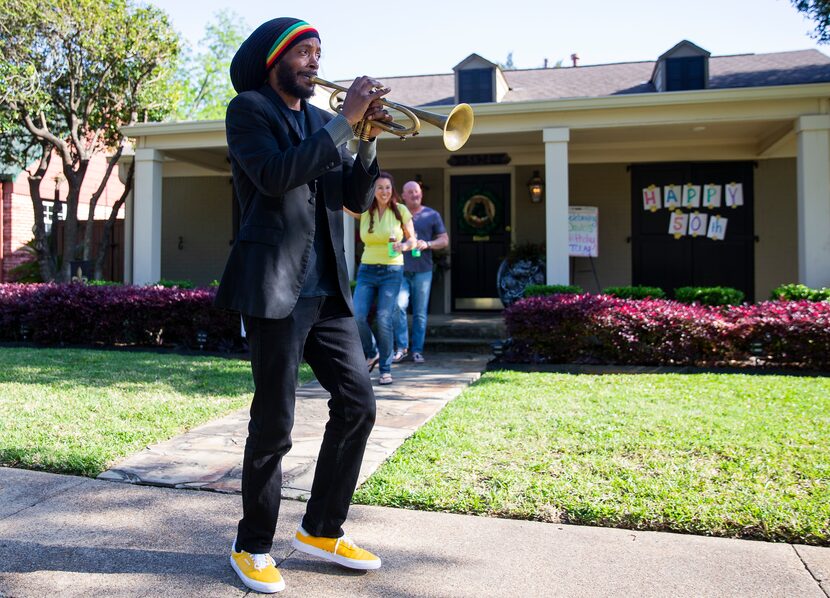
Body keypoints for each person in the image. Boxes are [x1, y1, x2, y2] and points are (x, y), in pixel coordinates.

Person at [214, 17, 391, 594]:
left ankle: (321, 528)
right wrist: (346, 122)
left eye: (319, 52)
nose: (315, 61)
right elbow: (273, 176)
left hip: (328, 293)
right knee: (275, 422)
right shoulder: (250, 111)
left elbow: (356, 200)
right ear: (275, 60)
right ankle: (252, 543)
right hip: (274, 289)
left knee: (359, 404)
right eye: (305, 52)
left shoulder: (323, 122)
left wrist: (366, 140)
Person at [348, 172, 417, 385]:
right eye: (379, 188)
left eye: (387, 187)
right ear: (373, 191)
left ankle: (385, 369)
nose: (384, 192)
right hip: (367, 270)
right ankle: (372, 353)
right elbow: (341, 204)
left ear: (392, 189)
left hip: (391, 271)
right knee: (357, 316)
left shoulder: (400, 211)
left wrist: (404, 245)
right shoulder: (365, 212)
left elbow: (412, 240)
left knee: (384, 318)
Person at [392, 180, 448, 364]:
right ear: (403, 195)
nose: (414, 195)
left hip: (423, 270)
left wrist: (429, 244)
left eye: (417, 191)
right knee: (399, 306)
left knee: (420, 312)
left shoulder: (431, 215)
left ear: (421, 194)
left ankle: (417, 351)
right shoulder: (397, 214)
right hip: (400, 269)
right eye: (410, 192)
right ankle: (402, 348)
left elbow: (444, 240)